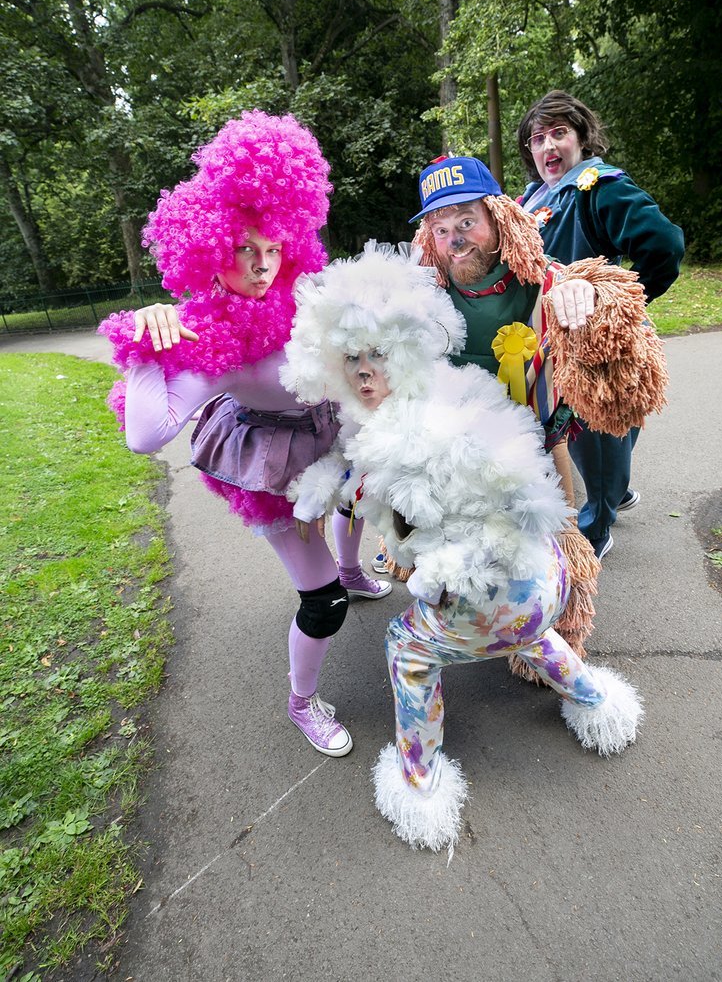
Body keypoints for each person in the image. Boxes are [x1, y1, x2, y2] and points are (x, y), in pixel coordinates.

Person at [282, 244, 643, 853]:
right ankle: (598, 702)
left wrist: (432, 559)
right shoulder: (433, 399)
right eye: (352, 359)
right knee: (524, 623)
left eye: (379, 355)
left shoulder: (425, 426)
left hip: (500, 578)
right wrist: (322, 492)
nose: (365, 372)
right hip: (538, 588)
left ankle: (419, 785)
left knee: (409, 650)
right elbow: (360, 470)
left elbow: (505, 498)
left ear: (408, 352)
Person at [99, 110, 390, 760]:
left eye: (272, 246)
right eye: (242, 250)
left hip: (327, 431)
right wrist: (148, 347)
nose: (262, 266)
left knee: (354, 499)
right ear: (209, 245)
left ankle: (352, 564)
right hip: (270, 462)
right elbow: (147, 436)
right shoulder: (210, 338)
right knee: (324, 602)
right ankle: (302, 702)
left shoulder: (301, 290)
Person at [517, 90, 685, 558]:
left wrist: (619, 301)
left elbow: (664, 246)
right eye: (537, 138)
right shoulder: (531, 196)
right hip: (548, 337)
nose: (548, 146)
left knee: (599, 426)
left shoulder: (601, 185)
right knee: (586, 424)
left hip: (593, 337)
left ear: (581, 137)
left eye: (559, 133)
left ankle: (597, 523)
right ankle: (617, 487)